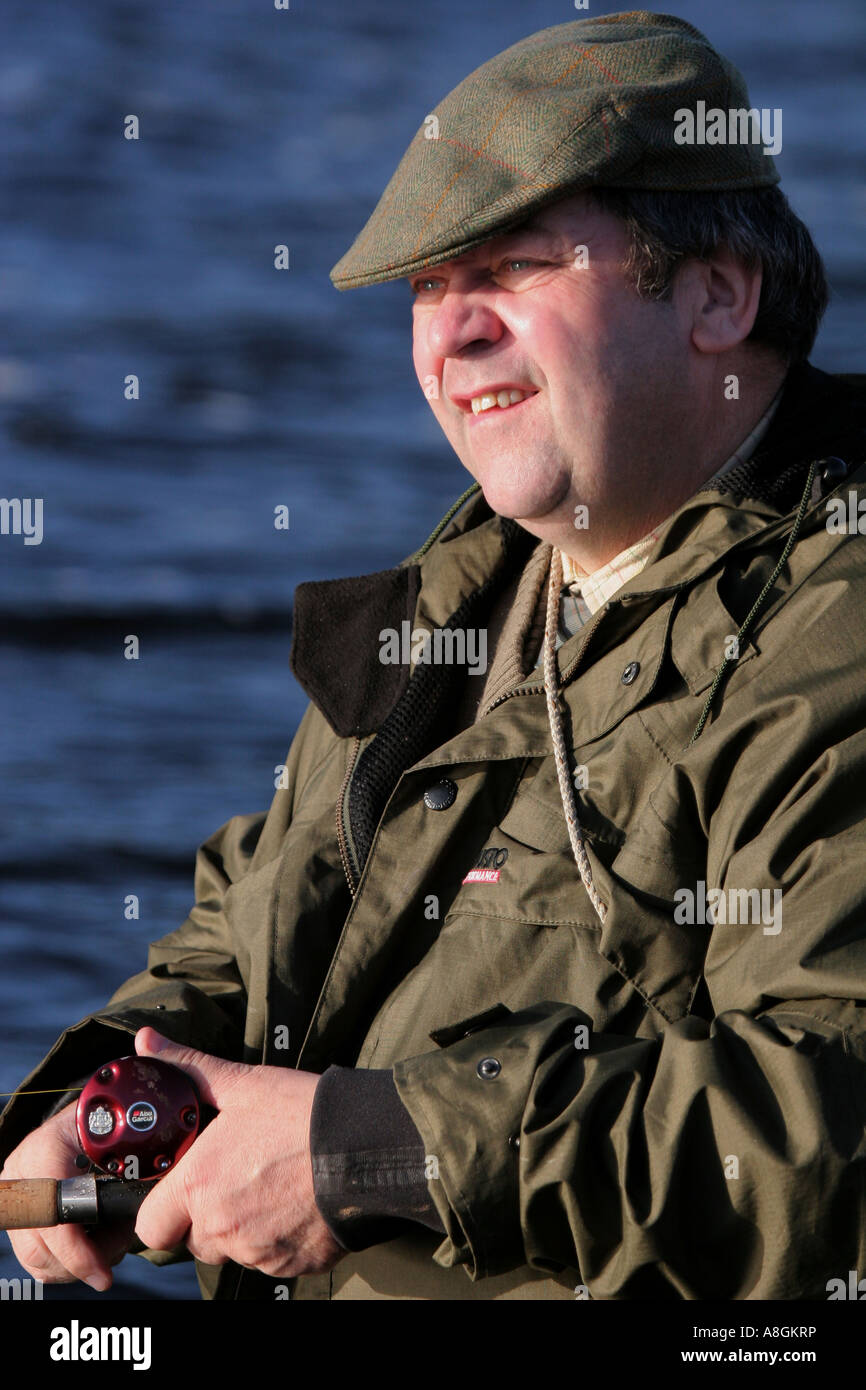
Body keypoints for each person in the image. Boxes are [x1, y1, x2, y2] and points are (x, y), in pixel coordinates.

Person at [2, 11, 866, 1302]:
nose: (450, 336)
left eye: (511, 269)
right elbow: (261, 927)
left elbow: (825, 1117)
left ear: (716, 295)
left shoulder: (829, 629)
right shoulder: (453, 602)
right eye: (425, 289)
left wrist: (370, 1158)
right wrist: (99, 1102)